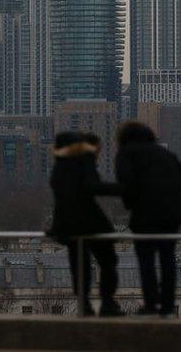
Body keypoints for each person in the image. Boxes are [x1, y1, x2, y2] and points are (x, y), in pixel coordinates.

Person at [114, 122, 181, 317]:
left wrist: (131, 204)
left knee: (146, 260)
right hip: (172, 215)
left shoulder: (126, 153)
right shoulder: (165, 153)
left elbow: (126, 184)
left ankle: (150, 303)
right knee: (168, 258)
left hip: (145, 215)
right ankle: (167, 304)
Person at [48, 131, 122, 316]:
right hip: (89, 219)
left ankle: (84, 304)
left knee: (79, 264)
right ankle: (107, 302)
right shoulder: (84, 160)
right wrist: (121, 190)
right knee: (108, 259)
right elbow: (92, 186)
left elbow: (60, 197)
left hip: (67, 222)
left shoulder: (59, 167)